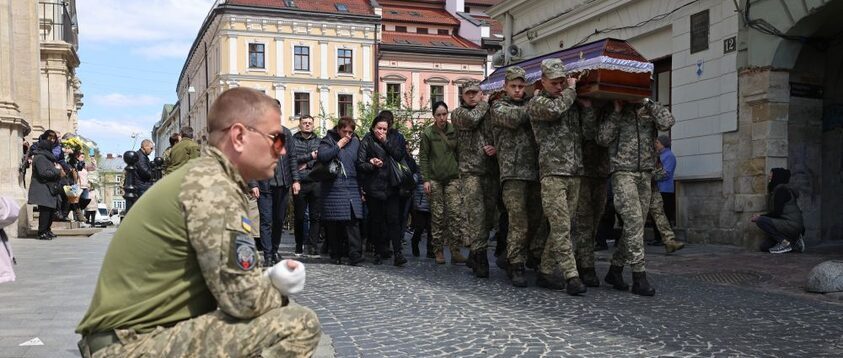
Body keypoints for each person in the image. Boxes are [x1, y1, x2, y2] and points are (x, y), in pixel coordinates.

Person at [75, 87, 320, 357]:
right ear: (239, 136)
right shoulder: (211, 186)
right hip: (129, 346)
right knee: (299, 324)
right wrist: (278, 286)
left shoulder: (206, 176)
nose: (283, 151)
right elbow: (244, 300)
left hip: (127, 338)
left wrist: (266, 279)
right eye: (276, 139)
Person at [526, 58, 596, 295]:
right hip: (553, 173)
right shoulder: (538, 103)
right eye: (554, 82)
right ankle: (571, 276)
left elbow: (587, 133)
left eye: (562, 82)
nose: (559, 86)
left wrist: (586, 109)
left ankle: (545, 271)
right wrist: (572, 91)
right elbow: (555, 111)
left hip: (574, 172)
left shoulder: (570, 103)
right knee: (561, 226)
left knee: (565, 226)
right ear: (543, 81)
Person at [597, 98, 675, 297]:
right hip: (623, 172)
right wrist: (616, 111)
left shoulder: (649, 109)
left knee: (636, 225)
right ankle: (639, 276)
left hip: (646, 174)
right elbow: (603, 138)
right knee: (633, 221)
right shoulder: (613, 109)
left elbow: (668, 122)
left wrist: (649, 103)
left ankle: (615, 270)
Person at [490, 66, 543, 287]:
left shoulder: (531, 105)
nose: (518, 91)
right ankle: (516, 264)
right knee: (518, 221)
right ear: (505, 87)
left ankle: (517, 255)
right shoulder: (499, 107)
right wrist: (535, 103)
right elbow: (516, 118)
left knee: (536, 220)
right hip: (512, 173)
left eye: (522, 87)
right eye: (514, 86)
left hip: (534, 171)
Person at [450, 80, 498, 278]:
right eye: (468, 93)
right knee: (477, 216)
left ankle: (475, 253)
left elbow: (500, 133)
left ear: (481, 93)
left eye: (475, 93)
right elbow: (471, 120)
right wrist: (485, 103)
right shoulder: (459, 113)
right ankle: (480, 259)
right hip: (470, 172)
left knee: (488, 218)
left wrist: (496, 148)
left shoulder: (490, 112)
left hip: (491, 171)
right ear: (463, 95)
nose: (471, 96)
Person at [420, 101, 468, 265]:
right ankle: (438, 250)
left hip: (453, 178)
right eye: (439, 115)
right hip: (435, 179)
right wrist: (425, 180)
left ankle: (455, 250)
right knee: (438, 216)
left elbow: (461, 153)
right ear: (434, 116)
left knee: (455, 215)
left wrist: (461, 174)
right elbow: (424, 157)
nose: (442, 117)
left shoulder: (454, 131)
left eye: (444, 114)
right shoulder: (428, 133)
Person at [357, 114, 408, 266]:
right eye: (379, 128)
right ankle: (378, 252)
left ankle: (398, 253)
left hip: (391, 185)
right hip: (374, 187)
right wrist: (371, 163)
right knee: (376, 221)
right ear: (373, 128)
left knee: (394, 220)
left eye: (384, 129)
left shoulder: (394, 138)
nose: (381, 131)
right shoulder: (367, 139)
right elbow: (360, 163)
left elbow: (399, 155)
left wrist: (385, 141)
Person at [318, 117, 365, 265]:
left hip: (351, 186)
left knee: (353, 222)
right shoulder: (328, 140)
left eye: (350, 132)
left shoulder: (356, 142)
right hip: (333, 187)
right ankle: (335, 253)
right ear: (338, 129)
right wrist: (338, 145)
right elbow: (322, 156)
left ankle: (355, 254)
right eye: (345, 131)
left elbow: (360, 163)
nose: (348, 135)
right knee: (334, 223)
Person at [249, 122, 296, 263]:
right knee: (266, 221)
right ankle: (268, 255)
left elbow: (292, 158)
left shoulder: (285, 134)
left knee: (279, 220)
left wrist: (296, 180)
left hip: (282, 185)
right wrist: (253, 183)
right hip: (264, 186)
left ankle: (274, 250)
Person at [751, 168, 805, 254]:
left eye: (771, 177)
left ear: (777, 178)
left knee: (760, 221)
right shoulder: (778, 190)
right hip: (787, 225)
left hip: (791, 225)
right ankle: (794, 243)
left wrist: (760, 217)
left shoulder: (781, 191)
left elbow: (777, 213)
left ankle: (785, 243)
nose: (769, 179)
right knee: (764, 247)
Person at [292, 115, 323, 256]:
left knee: (315, 216)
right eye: (304, 123)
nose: (307, 125)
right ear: (300, 125)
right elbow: (292, 160)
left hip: (316, 182)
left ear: (313, 125)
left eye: (310, 123)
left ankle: (313, 246)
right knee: (299, 217)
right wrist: (310, 157)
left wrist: (306, 164)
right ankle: (299, 245)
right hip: (299, 182)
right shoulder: (293, 141)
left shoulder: (319, 141)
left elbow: (321, 159)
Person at [28, 132, 64, 240]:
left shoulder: (47, 158)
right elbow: (43, 173)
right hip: (42, 187)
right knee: (45, 211)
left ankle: (47, 230)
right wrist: (57, 171)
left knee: (50, 210)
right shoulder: (40, 157)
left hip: (48, 187)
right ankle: (42, 232)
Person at [126, 139, 155, 212]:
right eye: (151, 148)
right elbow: (145, 172)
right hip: (142, 187)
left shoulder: (141, 156)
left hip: (140, 186)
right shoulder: (141, 157)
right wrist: (153, 174)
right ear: (145, 147)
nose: (152, 150)